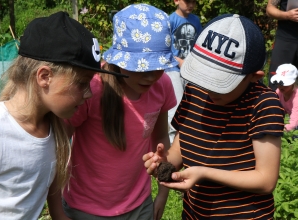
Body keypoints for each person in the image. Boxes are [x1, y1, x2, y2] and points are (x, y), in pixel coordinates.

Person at [0, 11, 125, 219]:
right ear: (44, 77)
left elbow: (49, 189)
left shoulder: (54, 130)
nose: (89, 93)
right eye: (81, 83)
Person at [143, 14, 285, 219]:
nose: (210, 88)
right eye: (205, 75)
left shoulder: (263, 104)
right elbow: (181, 149)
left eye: (221, 81)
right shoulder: (195, 91)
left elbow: (266, 180)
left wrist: (204, 173)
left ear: (254, 77)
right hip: (194, 213)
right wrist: (163, 162)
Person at [61, 4, 178, 220]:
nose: (151, 76)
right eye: (141, 67)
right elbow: (58, 141)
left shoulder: (163, 85)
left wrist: (163, 192)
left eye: (158, 66)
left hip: (139, 206)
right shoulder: (93, 89)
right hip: (85, 209)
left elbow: (161, 138)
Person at [165, 0, 202, 144]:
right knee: (175, 106)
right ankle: (170, 143)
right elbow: (165, 47)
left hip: (191, 70)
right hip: (173, 69)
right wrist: (179, 62)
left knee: (191, 104)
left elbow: (199, 45)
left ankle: (188, 140)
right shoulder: (170, 20)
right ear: (176, 1)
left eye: (193, 1)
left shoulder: (195, 20)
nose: (190, 5)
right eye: (187, 1)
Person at [266, 0, 298, 91]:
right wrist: (287, 15)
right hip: (285, 38)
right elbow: (269, 9)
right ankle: (273, 104)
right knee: (277, 83)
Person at [271, 63, 298, 131]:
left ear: (293, 83)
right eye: (279, 83)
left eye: (285, 85)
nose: (281, 87)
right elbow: (274, 108)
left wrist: (284, 129)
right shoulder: (279, 92)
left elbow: (295, 118)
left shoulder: (296, 96)